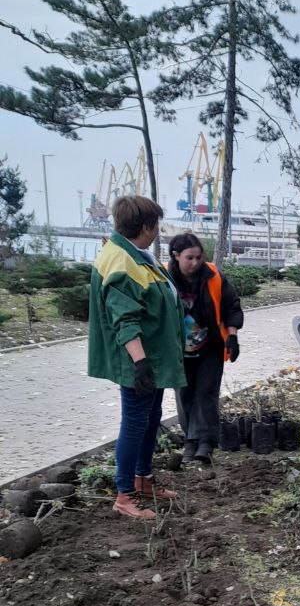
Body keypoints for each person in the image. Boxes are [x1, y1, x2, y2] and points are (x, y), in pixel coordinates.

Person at [88, 195, 185, 519]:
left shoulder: (134, 255)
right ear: (146, 227)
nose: (158, 229)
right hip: (139, 362)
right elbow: (124, 318)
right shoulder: (120, 261)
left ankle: (143, 479)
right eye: (156, 224)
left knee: (150, 419)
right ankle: (124, 495)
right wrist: (140, 363)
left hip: (152, 358)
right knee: (134, 424)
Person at [166, 233, 244, 464]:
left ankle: (206, 443)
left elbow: (231, 305)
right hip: (179, 349)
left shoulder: (213, 275)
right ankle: (190, 442)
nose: (195, 263)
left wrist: (232, 337)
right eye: (189, 258)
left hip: (209, 345)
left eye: (199, 257)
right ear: (176, 256)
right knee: (185, 394)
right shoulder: (163, 277)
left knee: (206, 393)